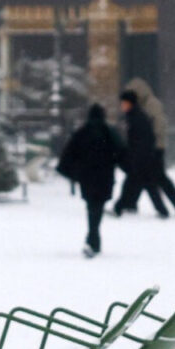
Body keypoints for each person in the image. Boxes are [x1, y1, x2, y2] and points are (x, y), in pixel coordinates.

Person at [58, 103, 123, 257]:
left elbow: (67, 156)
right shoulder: (109, 132)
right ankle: (93, 239)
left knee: (92, 207)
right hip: (105, 177)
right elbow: (121, 152)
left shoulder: (82, 133)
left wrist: (74, 175)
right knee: (97, 207)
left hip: (87, 177)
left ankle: (92, 238)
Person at [112, 89, 170, 219]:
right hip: (142, 158)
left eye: (123, 103)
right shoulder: (136, 116)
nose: (122, 105)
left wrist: (136, 157)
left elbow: (142, 140)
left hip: (141, 159)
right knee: (146, 185)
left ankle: (119, 208)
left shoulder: (136, 118)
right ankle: (122, 207)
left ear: (129, 103)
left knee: (138, 185)